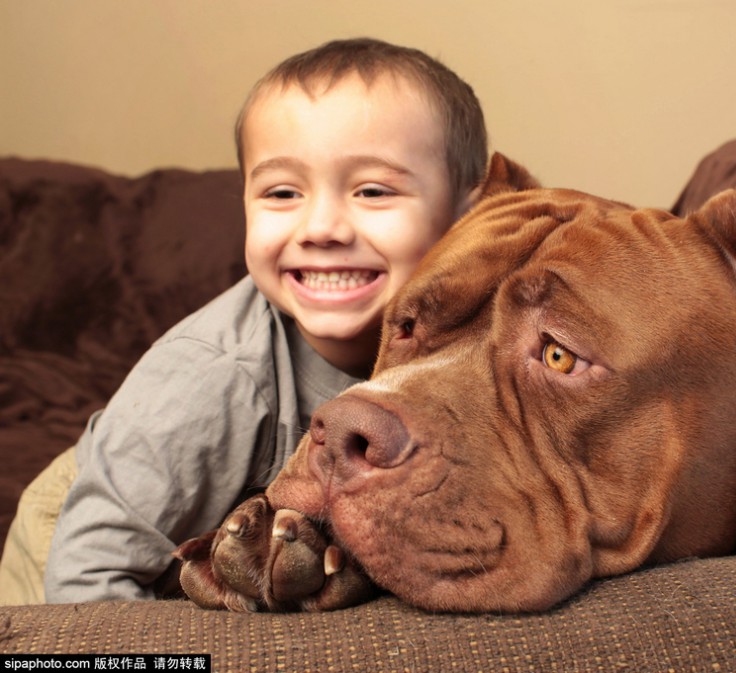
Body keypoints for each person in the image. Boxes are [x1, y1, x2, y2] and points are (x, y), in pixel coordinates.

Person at [0, 37, 488, 604]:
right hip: (73, 544)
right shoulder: (213, 378)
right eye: (282, 192)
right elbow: (85, 575)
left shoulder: (473, 344)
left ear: (468, 216)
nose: (321, 227)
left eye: (372, 190)